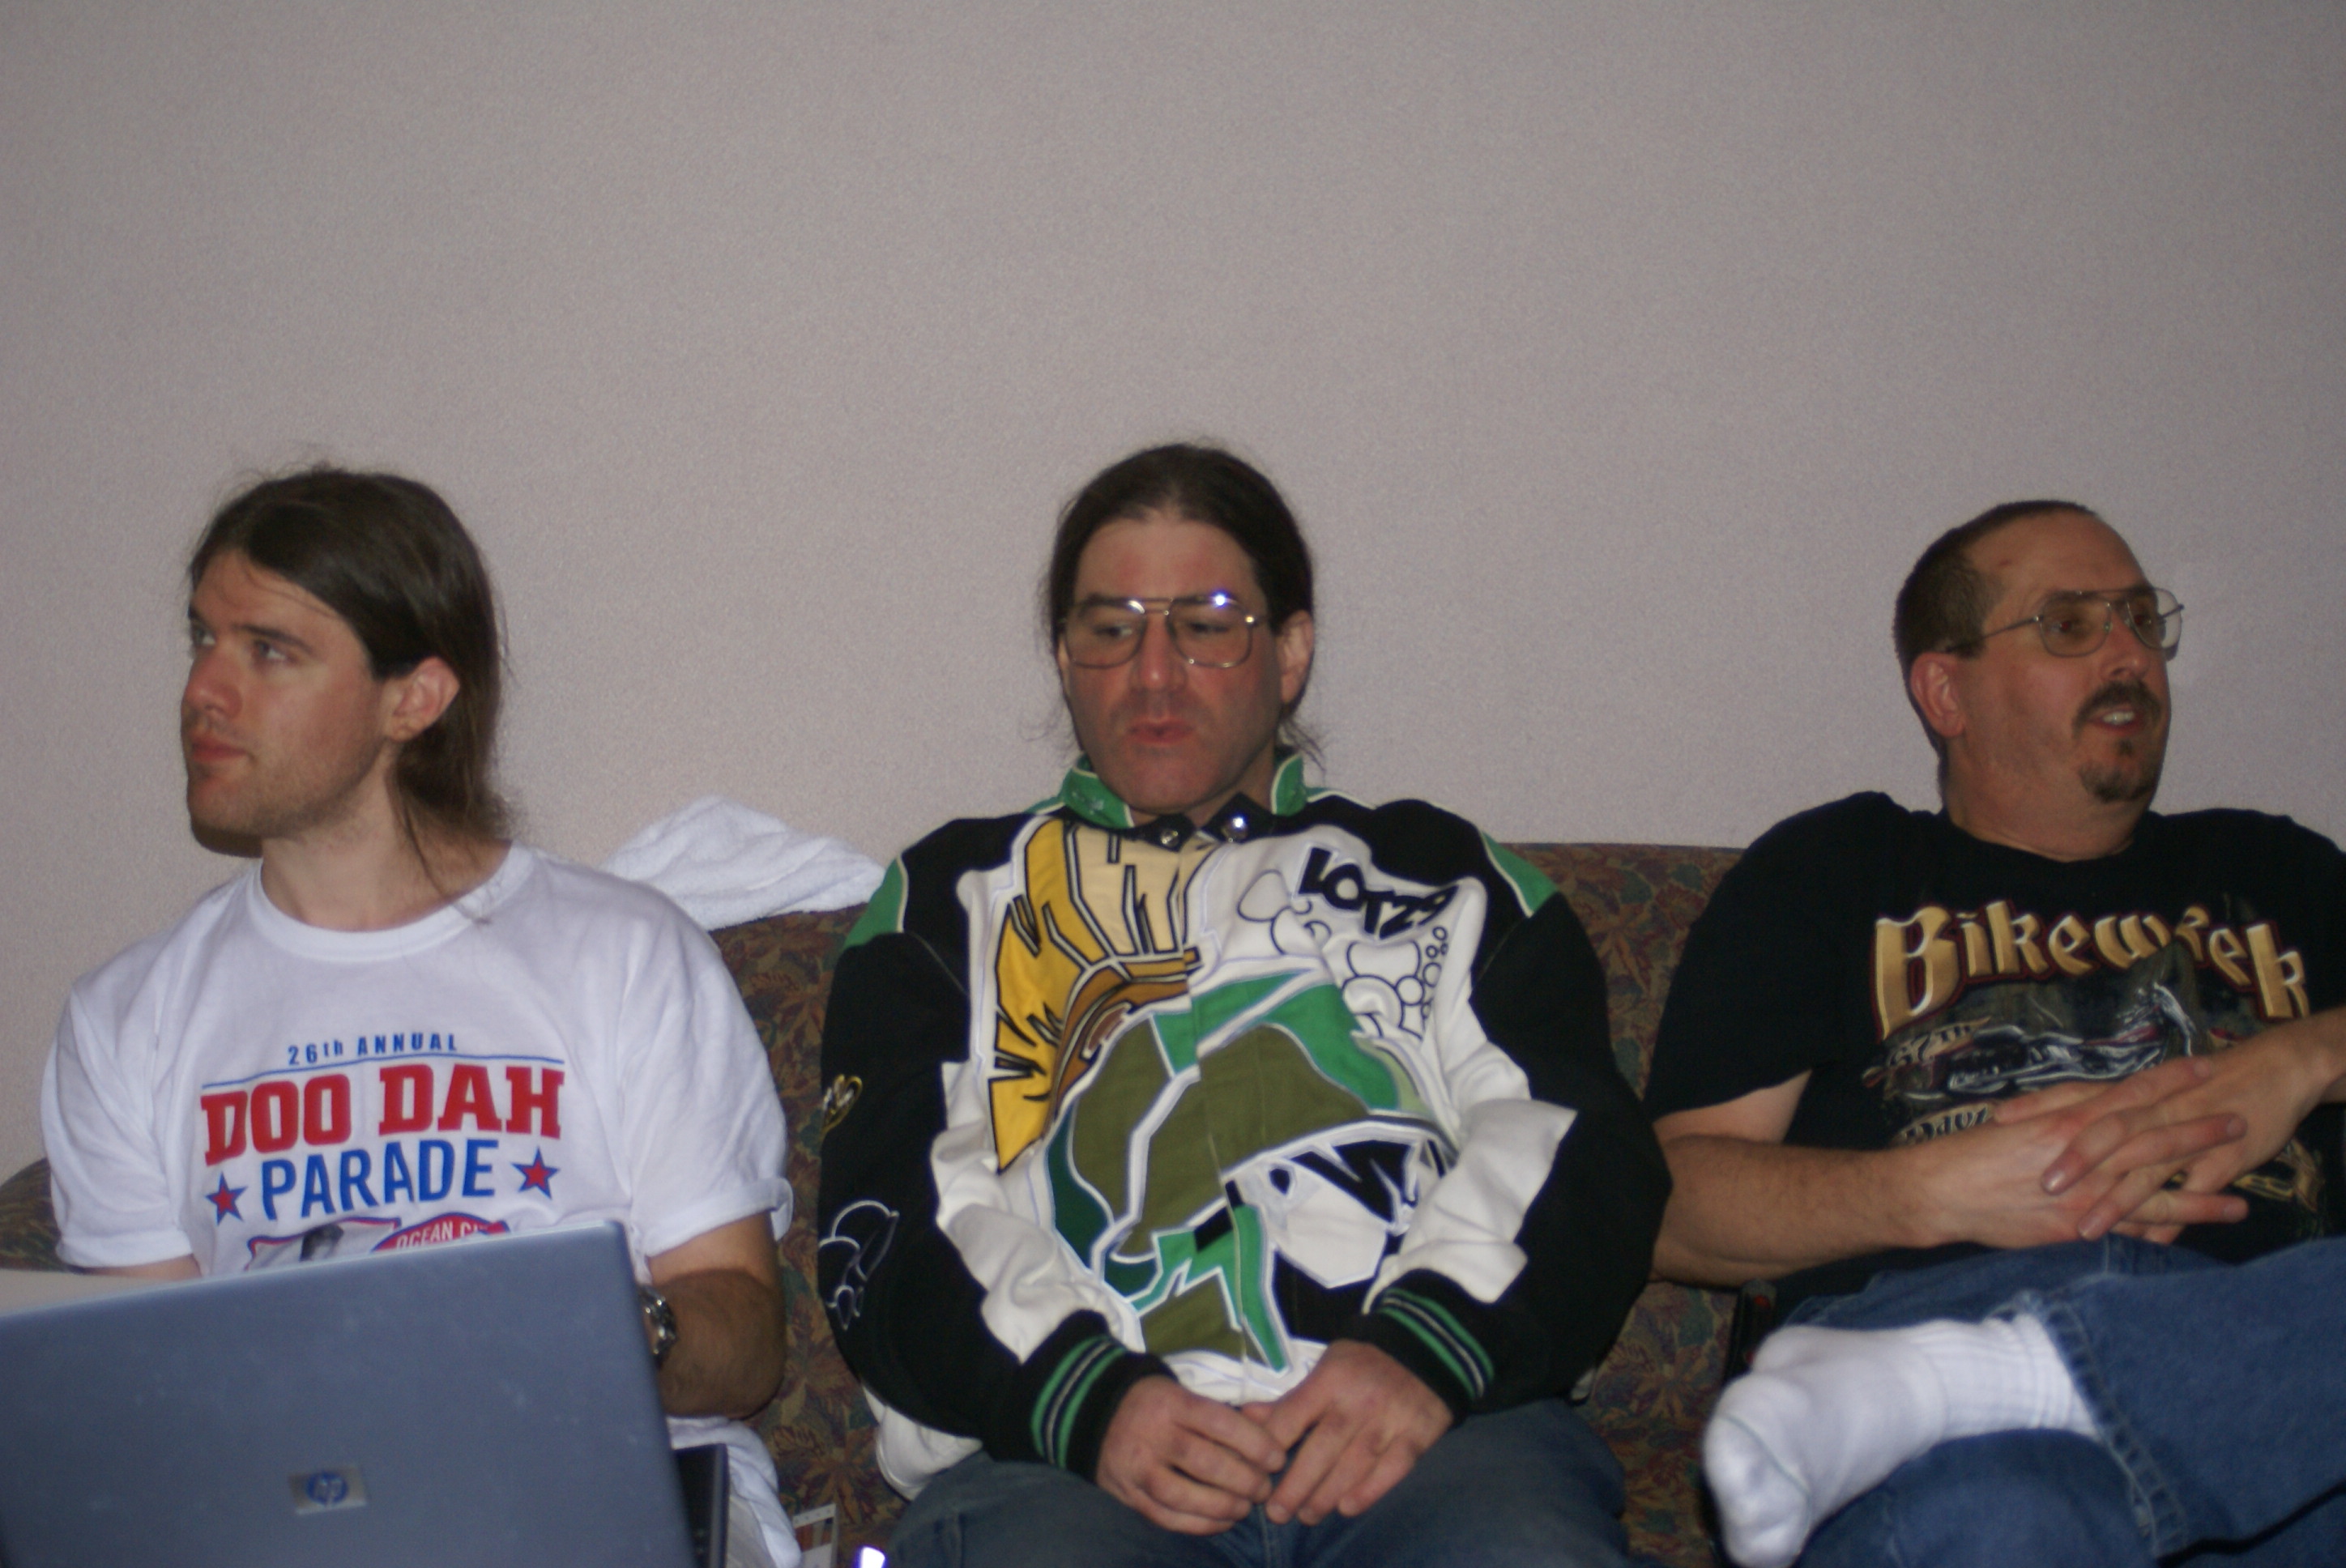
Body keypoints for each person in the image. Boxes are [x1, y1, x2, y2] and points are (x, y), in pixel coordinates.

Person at [816, 443, 1668, 1567]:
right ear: (1065, 659)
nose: (1154, 674)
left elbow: (1579, 1148)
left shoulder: (1451, 880)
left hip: (1432, 1441)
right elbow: (892, 1215)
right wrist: (1087, 1399)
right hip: (1061, 1464)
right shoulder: (946, 902)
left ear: (1292, 651)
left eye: (1206, 624)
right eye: (1110, 627)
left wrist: (1424, 1350)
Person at [40, 468, 800, 1568]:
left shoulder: (624, 954)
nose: (205, 691)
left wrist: (597, 1331)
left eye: (269, 650)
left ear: (416, 699)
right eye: (203, 639)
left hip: (601, 1484)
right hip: (308, 1519)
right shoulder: (127, 1020)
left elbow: (747, 1346)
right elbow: (153, 1413)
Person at [1643, 500, 2346, 1566]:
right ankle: (1968, 1378)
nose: (2129, 655)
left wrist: (2304, 1057)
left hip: (2283, 1406)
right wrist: (1928, 1192)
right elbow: (1669, 1205)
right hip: (1942, 1348)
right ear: (1945, 691)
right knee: (1997, 1519)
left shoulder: (2276, 869)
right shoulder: (1838, 871)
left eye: (2140, 618)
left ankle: (2032, 1375)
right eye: (2070, 625)